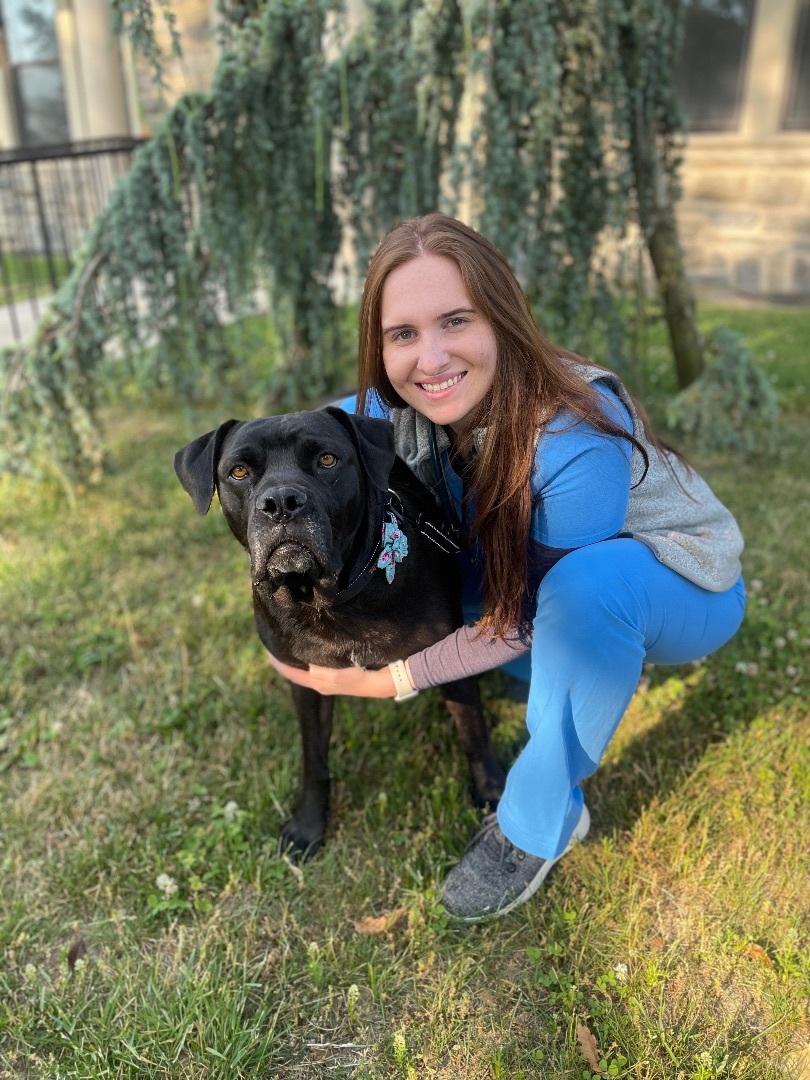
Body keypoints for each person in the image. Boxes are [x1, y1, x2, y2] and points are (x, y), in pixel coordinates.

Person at [267, 213, 746, 922]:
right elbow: (298, 442)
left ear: (501, 318)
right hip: (529, 600)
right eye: (403, 334)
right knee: (536, 628)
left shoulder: (571, 438)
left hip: (677, 585)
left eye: (455, 321)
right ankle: (589, 672)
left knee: (584, 596)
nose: (429, 359)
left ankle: (534, 825)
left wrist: (392, 679)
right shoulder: (385, 411)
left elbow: (520, 612)